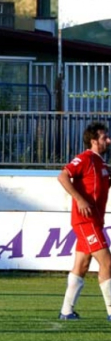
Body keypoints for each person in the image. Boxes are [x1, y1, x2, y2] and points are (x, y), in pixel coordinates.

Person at [58, 121, 111, 320]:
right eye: (104, 137)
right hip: (86, 221)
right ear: (93, 141)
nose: (108, 140)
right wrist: (79, 200)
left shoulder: (101, 164)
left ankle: (66, 311)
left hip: (95, 221)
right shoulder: (85, 158)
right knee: (107, 262)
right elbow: (63, 176)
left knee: (81, 264)